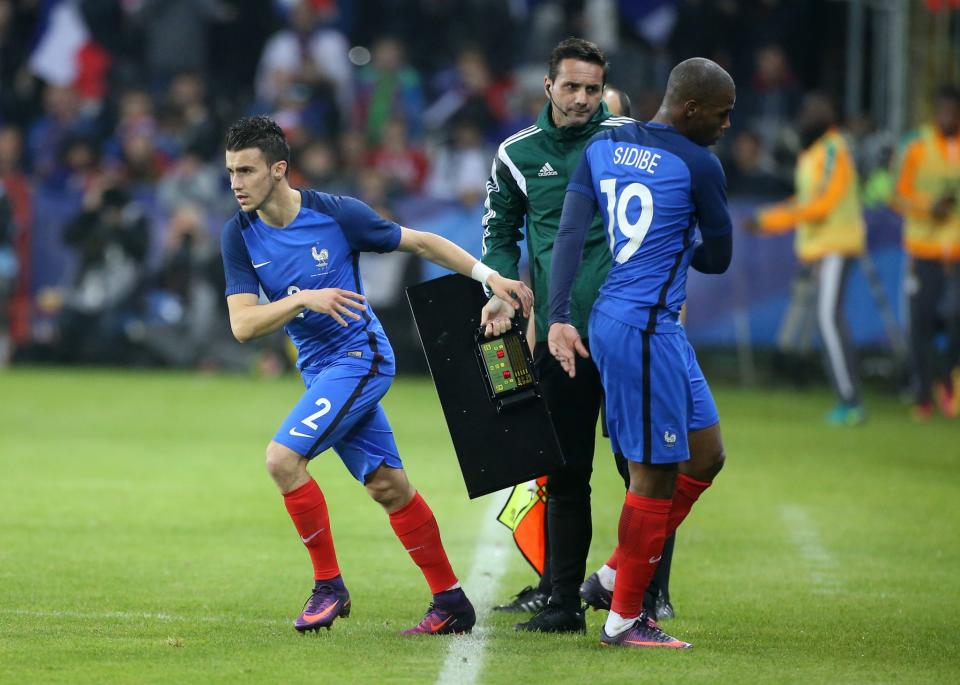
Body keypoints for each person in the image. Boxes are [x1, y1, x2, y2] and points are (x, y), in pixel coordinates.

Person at [219, 116, 533, 635]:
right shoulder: (239, 235)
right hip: (320, 373)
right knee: (388, 486)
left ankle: (328, 586)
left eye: (247, 170)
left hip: (360, 357)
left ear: (279, 170)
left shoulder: (335, 215)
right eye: (231, 171)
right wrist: (302, 301)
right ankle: (452, 601)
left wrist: (489, 275)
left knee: (281, 459)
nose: (236, 182)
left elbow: (424, 243)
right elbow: (242, 325)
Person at [547, 57, 735, 649]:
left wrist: (556, 317)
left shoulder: (602, 149)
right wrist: (683, 246)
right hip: (646, 328)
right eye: (723, 115)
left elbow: (571, 237)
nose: (727, 126)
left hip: (622, 320)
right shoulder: (699, 163)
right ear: (692, 110)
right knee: (652, 475)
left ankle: (609, 578)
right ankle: (625, 618)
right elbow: (719, 257)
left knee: (705, 454)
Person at [480, 38, 662, 634]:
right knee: (564, 472)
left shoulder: (631, 140)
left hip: (631, 333)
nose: (583, 99)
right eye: (573, 87)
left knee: (642, 470)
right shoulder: (517, 155)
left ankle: (648, 595)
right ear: (548, 86)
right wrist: (502, 291)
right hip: (560, 339)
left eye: (592, 88)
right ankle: (562, 604)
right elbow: (501, 232)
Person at [747, 94, 867, 425]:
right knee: (829, 321)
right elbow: (805, 200)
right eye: (806, 111)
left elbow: (822, 203)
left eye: (815, 112)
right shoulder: (813, 153)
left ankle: (851, 399)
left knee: (829, 319)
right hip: (822, 248)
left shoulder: (833, 148)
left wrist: (770, 220)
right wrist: (766, 221)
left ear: (828, 117)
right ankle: (848, 397)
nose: (807, 117)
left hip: (836, 246)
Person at [891, 86, 960, 421]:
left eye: (953, 111)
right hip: (923, 250)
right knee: (920, 325)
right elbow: (897, 195)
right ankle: (923, 395)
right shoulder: (916, 144)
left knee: (954, 317)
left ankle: (948, 379)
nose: (948, 117)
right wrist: (928, 206)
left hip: (957, 252)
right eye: (943, 110)